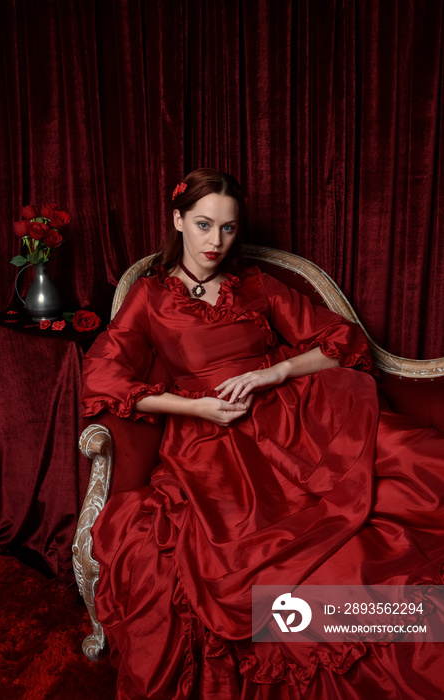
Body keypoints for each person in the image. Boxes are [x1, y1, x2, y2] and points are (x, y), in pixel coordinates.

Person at [81, 168, 444, 699]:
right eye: (204, 225)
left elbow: (340, 341)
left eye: (228, 228)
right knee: (265, 553)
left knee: (414, 465)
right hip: (212, 438)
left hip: (295, 414)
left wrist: (275, 371)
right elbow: (103, 379)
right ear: (178, 221)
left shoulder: (256, 283)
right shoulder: (149, 296)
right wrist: (195, 407)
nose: (215, 241)